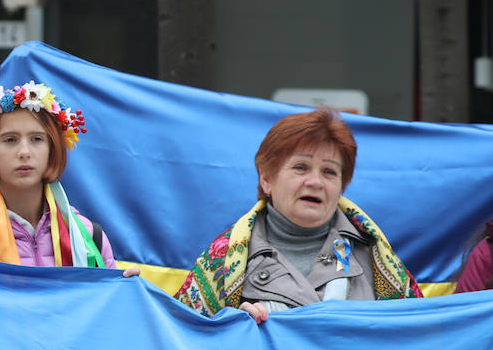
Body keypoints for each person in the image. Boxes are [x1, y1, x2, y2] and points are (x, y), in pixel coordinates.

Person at [176, 108, 422, 320]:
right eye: (300, 167)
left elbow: (418, 338)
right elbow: (183, 339)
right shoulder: (223, 260)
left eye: (329, 172)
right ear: (267, 179)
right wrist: (234, 330)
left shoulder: (374, 257)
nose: (315, 181)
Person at [0, 80, 121, 270]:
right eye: (10, 139)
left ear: (52, 150)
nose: (24, 152)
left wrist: (127, 289)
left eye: (37, 139)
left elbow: (109, 299)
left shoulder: (88, 238)